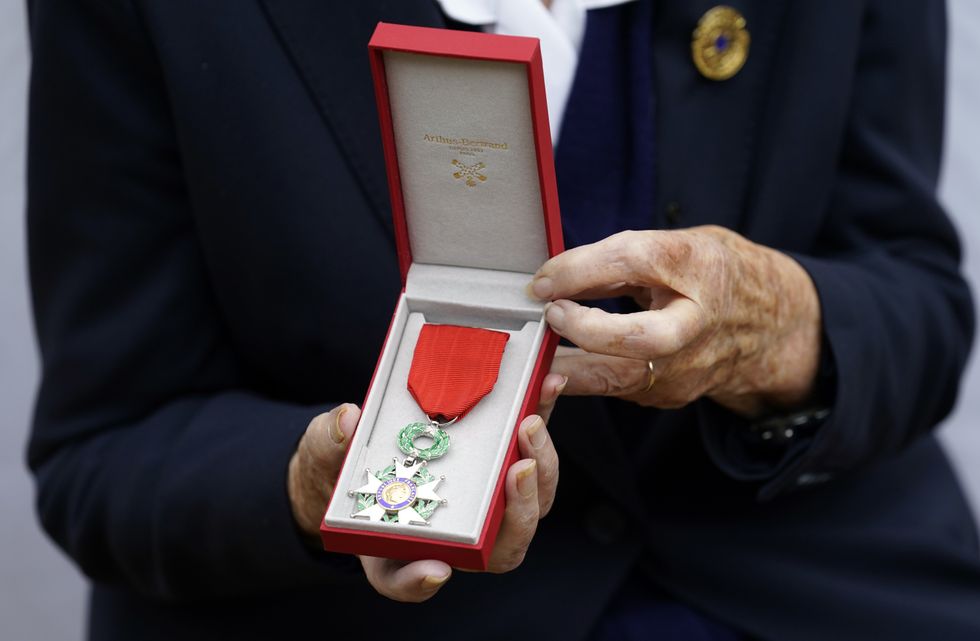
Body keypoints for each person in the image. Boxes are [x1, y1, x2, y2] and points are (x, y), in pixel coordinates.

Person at [25, 0, 980, 640]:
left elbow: (921, 304)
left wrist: (786, 327)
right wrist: (314, 488)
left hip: (810, 584)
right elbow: (104, 451)